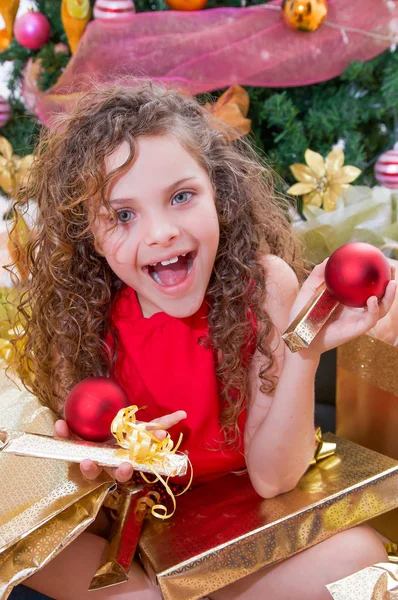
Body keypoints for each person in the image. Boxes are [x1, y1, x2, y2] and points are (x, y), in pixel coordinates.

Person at [11, 81, 396, 600]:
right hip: (133, 527)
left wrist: (304, 350)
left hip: (238, 524)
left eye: (181, 197)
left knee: (361, 557)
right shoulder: (80, 316)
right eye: (123, 215)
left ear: (219, 192)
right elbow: (90, 494)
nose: (162, 232)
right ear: (91, 234)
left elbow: (272, 481)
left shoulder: (265, 286)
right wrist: (102, 467)